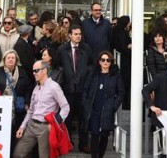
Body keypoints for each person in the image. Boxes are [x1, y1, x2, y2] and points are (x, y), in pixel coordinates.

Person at [14, 61, 70, 158]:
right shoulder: (36, 88)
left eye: (36, 71)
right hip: (32, 125)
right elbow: (31, 110)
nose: (34, 73)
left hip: (45, 127)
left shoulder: (54, 87)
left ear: (44, 71)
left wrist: (55, 124)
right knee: (18, 154)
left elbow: (65, 107)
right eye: (33, 71)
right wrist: (22, 127)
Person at [58, 25, 94, 153]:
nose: (78, 36)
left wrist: (86, 76)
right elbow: (59, 66)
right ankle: (68, 143)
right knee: (67, 119)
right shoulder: (62, 49)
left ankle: (83, 144)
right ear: (69, 35)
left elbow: (92, 64)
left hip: (83, 89)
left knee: (83, 118)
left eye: (79, 34)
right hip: (67, 90)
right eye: (75, 34)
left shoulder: (86, 48)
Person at [82, 51, 124, 158]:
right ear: (99, 62)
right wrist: (86, 104)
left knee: (104, 136)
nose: (105, 62)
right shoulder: (93, 74)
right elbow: (85, 89)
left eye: (108, 60)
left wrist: (114, 106)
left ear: (111, 62)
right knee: (94, 135)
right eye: (103, 60)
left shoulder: (116, 76)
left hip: (107, 110)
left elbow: (121, 93)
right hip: (94, 109)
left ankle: (100, 156)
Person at [0, 49, 33, 153]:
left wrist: (26, 102)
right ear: (4, 59)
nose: (11, 60)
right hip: (2, 108)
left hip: (18, 108)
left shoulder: (22, 71)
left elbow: (28, 88)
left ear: (16, 60)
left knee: (14, 134)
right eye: (8, 58)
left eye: (13, 58)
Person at [112, 15, 132, 109]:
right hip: (125, 62)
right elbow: (125, 47)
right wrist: (130, 46)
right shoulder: (123, 33)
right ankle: (125, 103)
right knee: (125, 83)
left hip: (123, 61)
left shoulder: (118, 32)